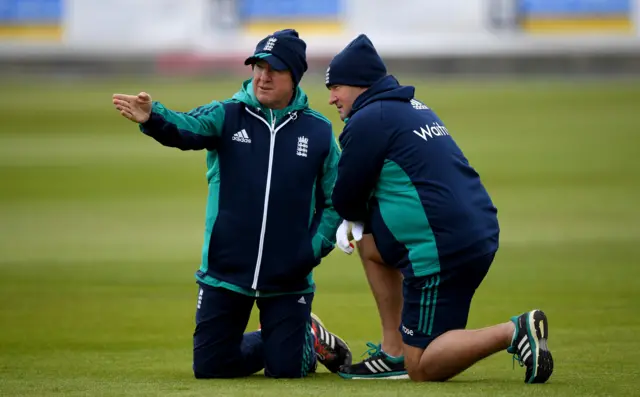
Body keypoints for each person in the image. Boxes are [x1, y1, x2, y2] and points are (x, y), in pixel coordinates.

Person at [112, 29, 351, 379]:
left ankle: (303, 339)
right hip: (225, 273)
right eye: (258, 66)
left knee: (285, 371)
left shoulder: (317, 131)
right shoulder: (226, 114)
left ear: (295, 76)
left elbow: (336, 200)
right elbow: (187, 127)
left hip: (288, 277)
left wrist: (310, 249)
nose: (263, 76)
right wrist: (154, 117)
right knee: (211, 368)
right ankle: (304, 332)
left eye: (275, 69)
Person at [327, 34, 553, 383]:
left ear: (359, 85)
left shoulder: (368, 119)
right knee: (369, 245)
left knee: (423, 366)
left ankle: (514, 331)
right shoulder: (411, 107)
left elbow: (345, 196)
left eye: (336, 87)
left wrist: (352, 214)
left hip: (440, 248)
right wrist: (361, 219)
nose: (331, 98)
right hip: (475, 232)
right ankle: (393, 352)